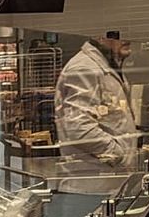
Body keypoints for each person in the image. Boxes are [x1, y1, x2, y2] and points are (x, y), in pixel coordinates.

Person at [56, 30, 139, 169]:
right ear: (100, 37)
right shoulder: (83, 68)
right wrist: (118, 156)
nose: (127, 39)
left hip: (109, 178)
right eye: (118, 34)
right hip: (95, 180)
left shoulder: (105, 65)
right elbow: (78, 127)